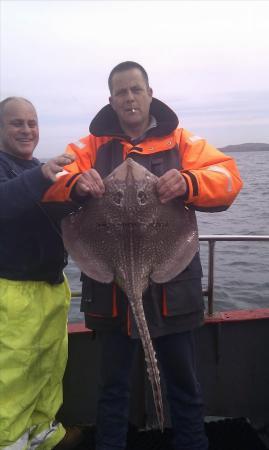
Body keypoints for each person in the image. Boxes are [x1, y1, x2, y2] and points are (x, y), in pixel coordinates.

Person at [43, 62, 243, 450]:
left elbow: (229, 177)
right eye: (121, 92)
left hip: (173, 288)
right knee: (112, 389)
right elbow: (51, 181)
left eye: (136, 89)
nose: (129, 98)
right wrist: (76, 184)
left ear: (150, 93)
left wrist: (189, 181)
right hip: (110, 290)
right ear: (111, 100)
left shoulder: (182, 142)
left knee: (184, 385)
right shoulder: (88, 147)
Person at [0, 97, 84, 449]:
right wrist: (42, 175)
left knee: (50, 366)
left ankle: (42, 431)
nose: (26, 130)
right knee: (13, 376)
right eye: (16, 123)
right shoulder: (21, 169)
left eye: (32, 123)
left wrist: (82, 192)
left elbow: (63, 213)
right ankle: (10, 441)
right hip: (14, 291)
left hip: (52, 286)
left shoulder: (36, 167)